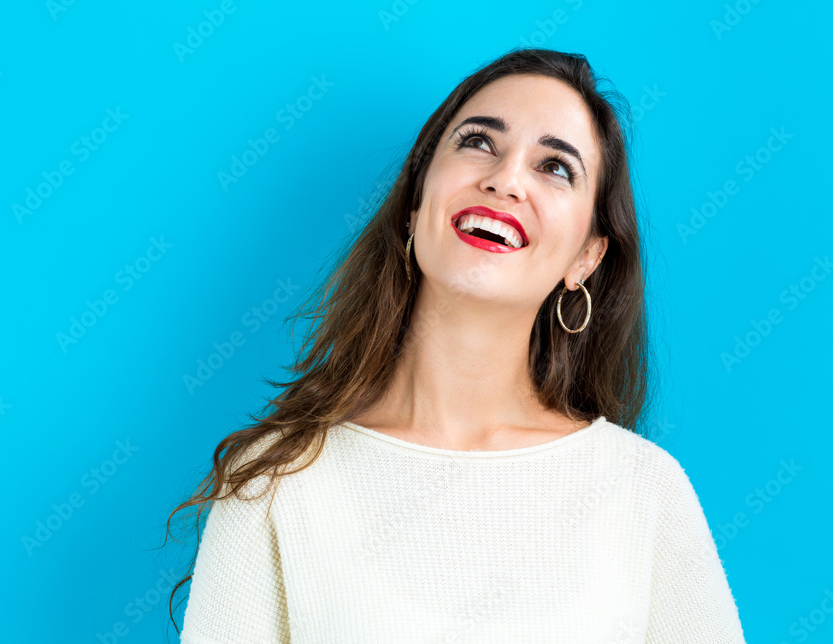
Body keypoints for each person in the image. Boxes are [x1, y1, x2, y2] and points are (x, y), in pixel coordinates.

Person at [164, 47, 746, 643]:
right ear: (416, 202)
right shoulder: (276, 481)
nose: (505, 179)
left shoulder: (644, 490)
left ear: (586, 257)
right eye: (478, 142)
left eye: (555, 167)